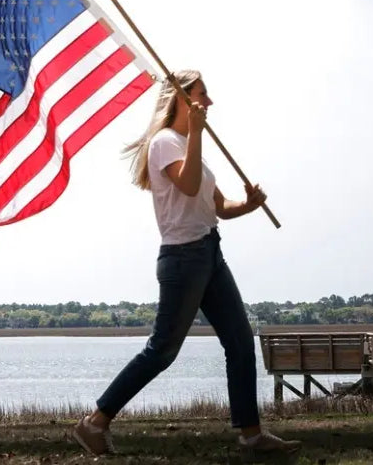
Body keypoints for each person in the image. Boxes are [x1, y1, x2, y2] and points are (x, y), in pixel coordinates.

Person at [72, 70, 301, 457]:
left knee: (241, 342)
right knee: (162, 351)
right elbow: (190, 185)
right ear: (180, 98)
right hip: (183, 259)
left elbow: (218, 207)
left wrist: (248, 204)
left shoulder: (188, 143)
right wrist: (195, 131)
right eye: (201, 94)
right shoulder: (165, 142)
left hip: (210, 252)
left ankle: (251, 436)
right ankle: (94, 422)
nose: (208, 103)